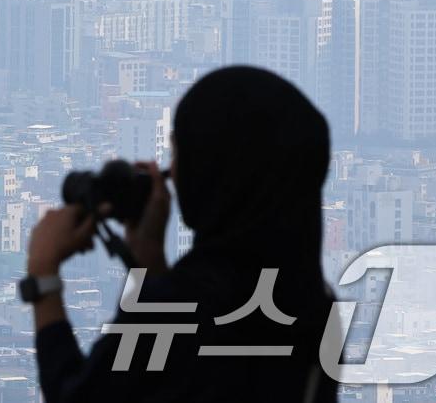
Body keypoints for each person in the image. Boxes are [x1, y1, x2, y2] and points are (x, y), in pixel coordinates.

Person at [26, 66, 338, 402]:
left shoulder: (184, 308)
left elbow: (77, 396)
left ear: (210, 169)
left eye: (178, 153)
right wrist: (148, 264)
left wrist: (44, 276)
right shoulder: (315, 304)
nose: (170, 172)